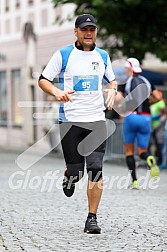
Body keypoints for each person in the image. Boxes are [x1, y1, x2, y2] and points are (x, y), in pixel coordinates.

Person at [38, 14, 117, 234]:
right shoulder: (63, 54)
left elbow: (112, 80)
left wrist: (112, 89)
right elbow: (43, 79)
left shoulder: (102, 56)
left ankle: (92, 218)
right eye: (84, 30)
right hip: (70, 121)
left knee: (95, 169)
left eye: (92, 29)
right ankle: (69, 176)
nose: (89, 33)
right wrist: (56, 91)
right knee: (76, 171)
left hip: (96, 120)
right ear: (76, 32)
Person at [115, 57, 161, 189]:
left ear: (129, 68)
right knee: (142, 150)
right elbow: (158, 97)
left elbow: (118, 99)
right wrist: (149, 103)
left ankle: (134, 181)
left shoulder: (125, 82)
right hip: (146, 118)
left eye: (126, 68)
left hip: (131, 116)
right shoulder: (147, 81)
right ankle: (148, 158)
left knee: (129, 151)